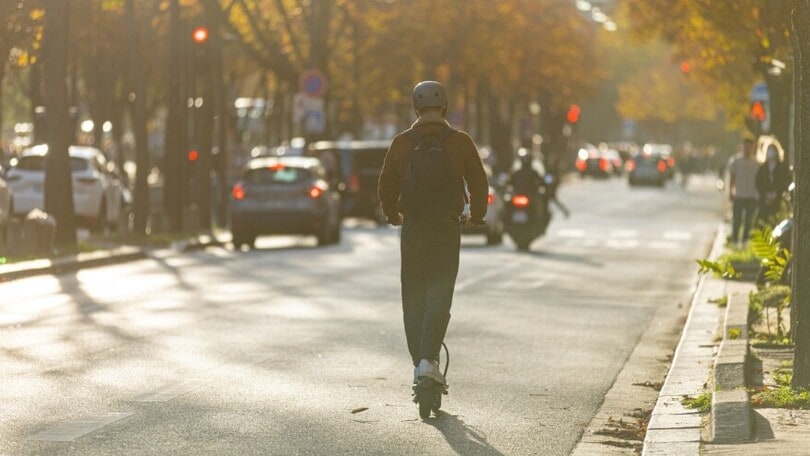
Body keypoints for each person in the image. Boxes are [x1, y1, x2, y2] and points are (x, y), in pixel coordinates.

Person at [377, 80, 489, 386]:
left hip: (413, 229)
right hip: (446, 228)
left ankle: (419, 363)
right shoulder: (460, 142)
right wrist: (477, 215)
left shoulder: (402, 142)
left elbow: (386, 185)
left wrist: (393, 215)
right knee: (440, 294)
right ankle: (429, 359)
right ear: (444, 107)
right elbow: (479, 182)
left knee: (413, 296)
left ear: (416, 108)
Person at [727, 138, 759, 246]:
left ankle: (745, 241)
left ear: (753, 147)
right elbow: (732, 178)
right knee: (737, 219)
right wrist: (731, 192)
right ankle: (735, 241)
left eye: (749, 146)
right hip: (739, 195)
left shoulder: (756, 163)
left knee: (748, 220)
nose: (747, 148)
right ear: (742, 146)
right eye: (745, 146)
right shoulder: (736, 161)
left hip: (751, 195)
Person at [755, 144, 791, 224]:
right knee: (763, 221)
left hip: (778, 200)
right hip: (764, 201)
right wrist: (765, 194)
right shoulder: (762, 168)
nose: (771, 152)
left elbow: (785, 181)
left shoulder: (782, 167)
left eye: (773, 150)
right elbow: (758, 182)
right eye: (769, 149)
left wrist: (776, 193)